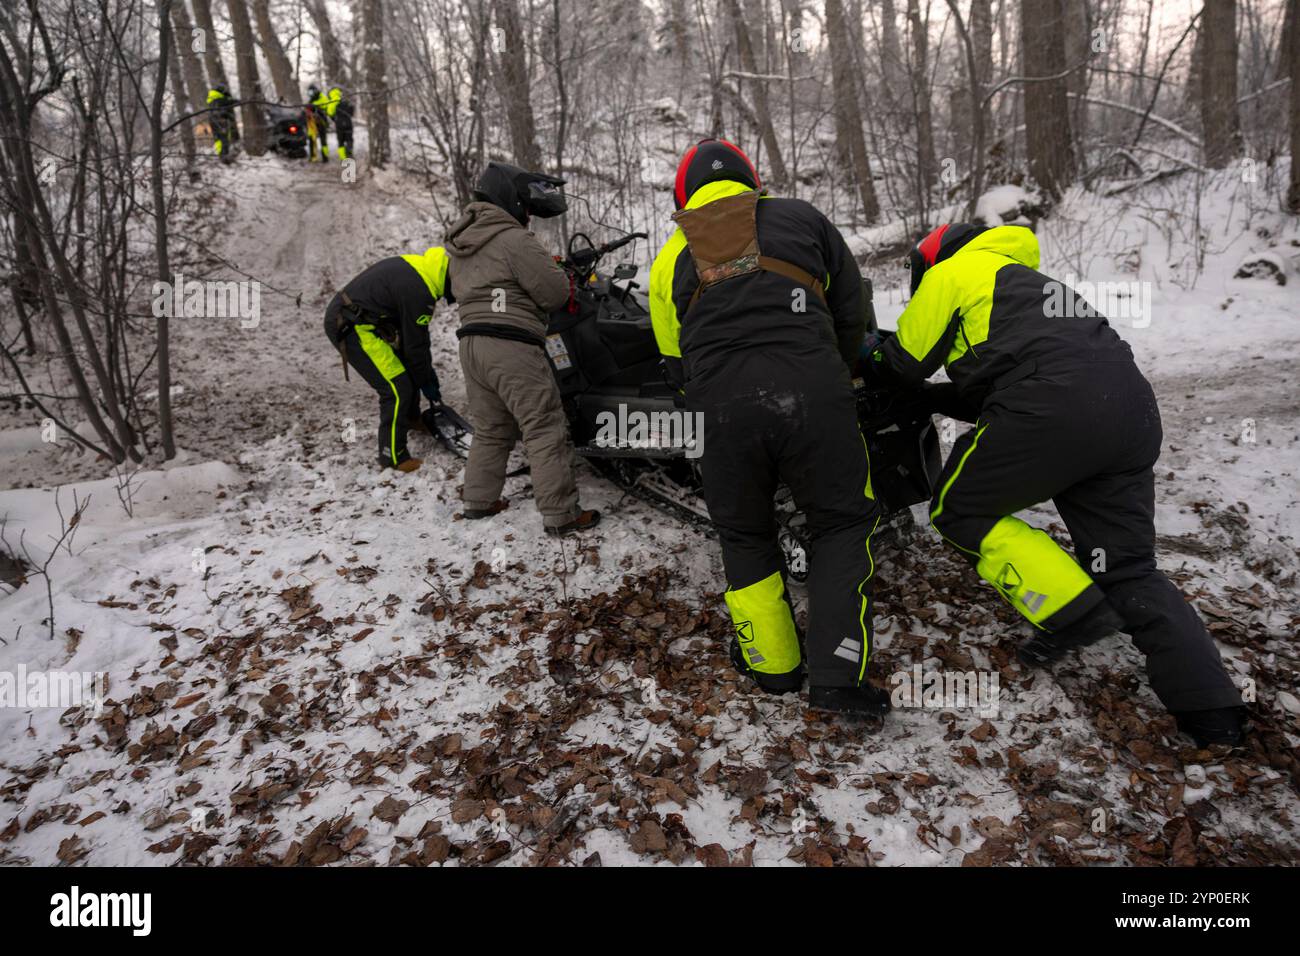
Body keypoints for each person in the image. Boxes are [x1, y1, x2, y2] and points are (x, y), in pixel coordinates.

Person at [867, 222, 1246, 746]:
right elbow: (1018, 376)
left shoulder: (954, 273)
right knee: (1129, 567)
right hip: (1130, 414)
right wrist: (935, 398)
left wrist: (867, 354)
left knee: (957, 509)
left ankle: (1071, 610)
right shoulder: (1030, 284)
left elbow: (900, 363)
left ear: (929, 262)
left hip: (1055, 410)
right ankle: (1213, 712)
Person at [648, 139, 888, 718]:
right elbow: (853, 308)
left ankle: (774, 668)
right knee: (839, 526)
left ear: (686, 196)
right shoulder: (803, 218)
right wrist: (837, 370)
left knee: (744, 533)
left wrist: (704, 403)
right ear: (755, 182)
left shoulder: (669, 258)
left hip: (720, 410)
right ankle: (837, 679)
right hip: (813, 394)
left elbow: (672, 359)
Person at [445, 162, 600, 536]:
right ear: (512, 201)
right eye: (526, 208)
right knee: (543, 425)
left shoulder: (462, 243)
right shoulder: (514, 239)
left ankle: (479, 502)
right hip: (511, 344)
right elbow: (554, 293)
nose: (528, 217)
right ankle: (562, 515)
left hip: (472, 344)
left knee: (492, 427)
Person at [324, 247, 451, 472]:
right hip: (350, 326)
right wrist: (427, 383)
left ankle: (410, 418)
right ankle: (393, 456)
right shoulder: (421, 293)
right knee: (396, 387)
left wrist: (425, 375)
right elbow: (415, 347)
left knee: (406, 371)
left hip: (362, 319)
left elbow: (417, 339)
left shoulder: (423, 270)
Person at [206, 84, 238, 163]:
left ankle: (221, 155)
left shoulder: (212, 98)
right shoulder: (219, 98)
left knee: (218, 139)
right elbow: (230, 101)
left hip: (213, 121)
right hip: (220, 121)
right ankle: (224, 156)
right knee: (224, 138)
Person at [326, 87, 355, 161]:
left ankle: (343, 157)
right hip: (348, 122)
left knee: (340, 140)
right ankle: (349, 152)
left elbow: (330, 113)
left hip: (339, 123)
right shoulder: (344, 99)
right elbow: (351, 111)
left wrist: (334, 119)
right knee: (349, 138)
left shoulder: (331, 102)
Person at [305, 84, 330, 163]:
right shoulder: (311, 100)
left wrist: (316, 107)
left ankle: (325, 157)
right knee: (311, 139)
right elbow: (308, 109)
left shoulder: (322, 97)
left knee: (323, 140)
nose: (310, 94)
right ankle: (313, 157)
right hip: (312, 122)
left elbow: (326, 106)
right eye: (309, 92)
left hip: (321, 121)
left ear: (315, 91)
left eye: (311, 92)